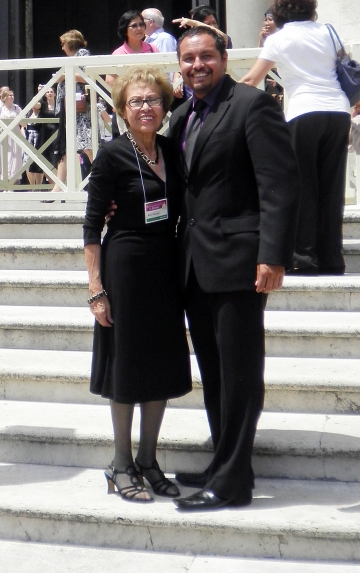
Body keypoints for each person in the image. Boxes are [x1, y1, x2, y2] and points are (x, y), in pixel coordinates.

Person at [167, 26, 300, 510]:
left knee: (240, 372)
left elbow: (279, 185)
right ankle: (224, 462)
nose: (197, 65)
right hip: (195, 265)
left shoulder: (251, 105)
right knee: (214, 372)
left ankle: (232, 484)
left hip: (241, 262)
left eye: (206, 56)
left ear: (223, 58)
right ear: (178, 65)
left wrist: (273, 254)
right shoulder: (181, 116)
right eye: (188, 59)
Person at [83, 66, 191, 503]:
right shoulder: (112, 154)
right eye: (136, 102)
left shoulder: (171, 148)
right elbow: (92, 225)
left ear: (165, 106)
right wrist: (96, 288)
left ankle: (149, 460)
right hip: (124, 266)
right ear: (123, 111)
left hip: (166, 265)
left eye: (153, 100)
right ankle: (121, 463)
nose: (145, 108)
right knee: (126, 365)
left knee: (162, 363)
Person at [240, 0, 351, 275]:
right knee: (332, 187)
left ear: (279, 12)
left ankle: (305, 257)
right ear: (311, 8)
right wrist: (359, 105)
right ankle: (332, 258)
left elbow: (253, 78)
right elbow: (346, 67)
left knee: (303, 187)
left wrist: (223, 95)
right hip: (338, 111)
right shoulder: (329, 31)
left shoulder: (279, 38)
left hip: (304, 112)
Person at [50, 30, 93, 196]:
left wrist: (65, 76)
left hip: (80, 110)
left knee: (87, 146)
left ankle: (103, 179)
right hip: (69, 108)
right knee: (65, 148)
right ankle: (58, 187)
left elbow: (88, 76)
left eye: (63, 44)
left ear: (71, 43)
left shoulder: (83, 54)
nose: (62, 48)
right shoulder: (72, 58)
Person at [106, 11, 159, 136]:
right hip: (127, 107)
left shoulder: (153, 49)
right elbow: (109, 81)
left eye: (141, 24)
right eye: (134, 26)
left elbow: (160, 76)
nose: (139, 28)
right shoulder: (118, 53)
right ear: (125, 30)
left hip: (151, 106)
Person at [0, 89, 24, 184]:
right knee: (4, 158)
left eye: (13, 95)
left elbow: (24, 123)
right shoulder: (1, 108)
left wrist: (17, 120)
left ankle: (13, 183)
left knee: (15, 159)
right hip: (4, 136)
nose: (12, 97)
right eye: (10, 95)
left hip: (15, 135)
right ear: (5, 97)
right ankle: (5, 183)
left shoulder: (16, 108)